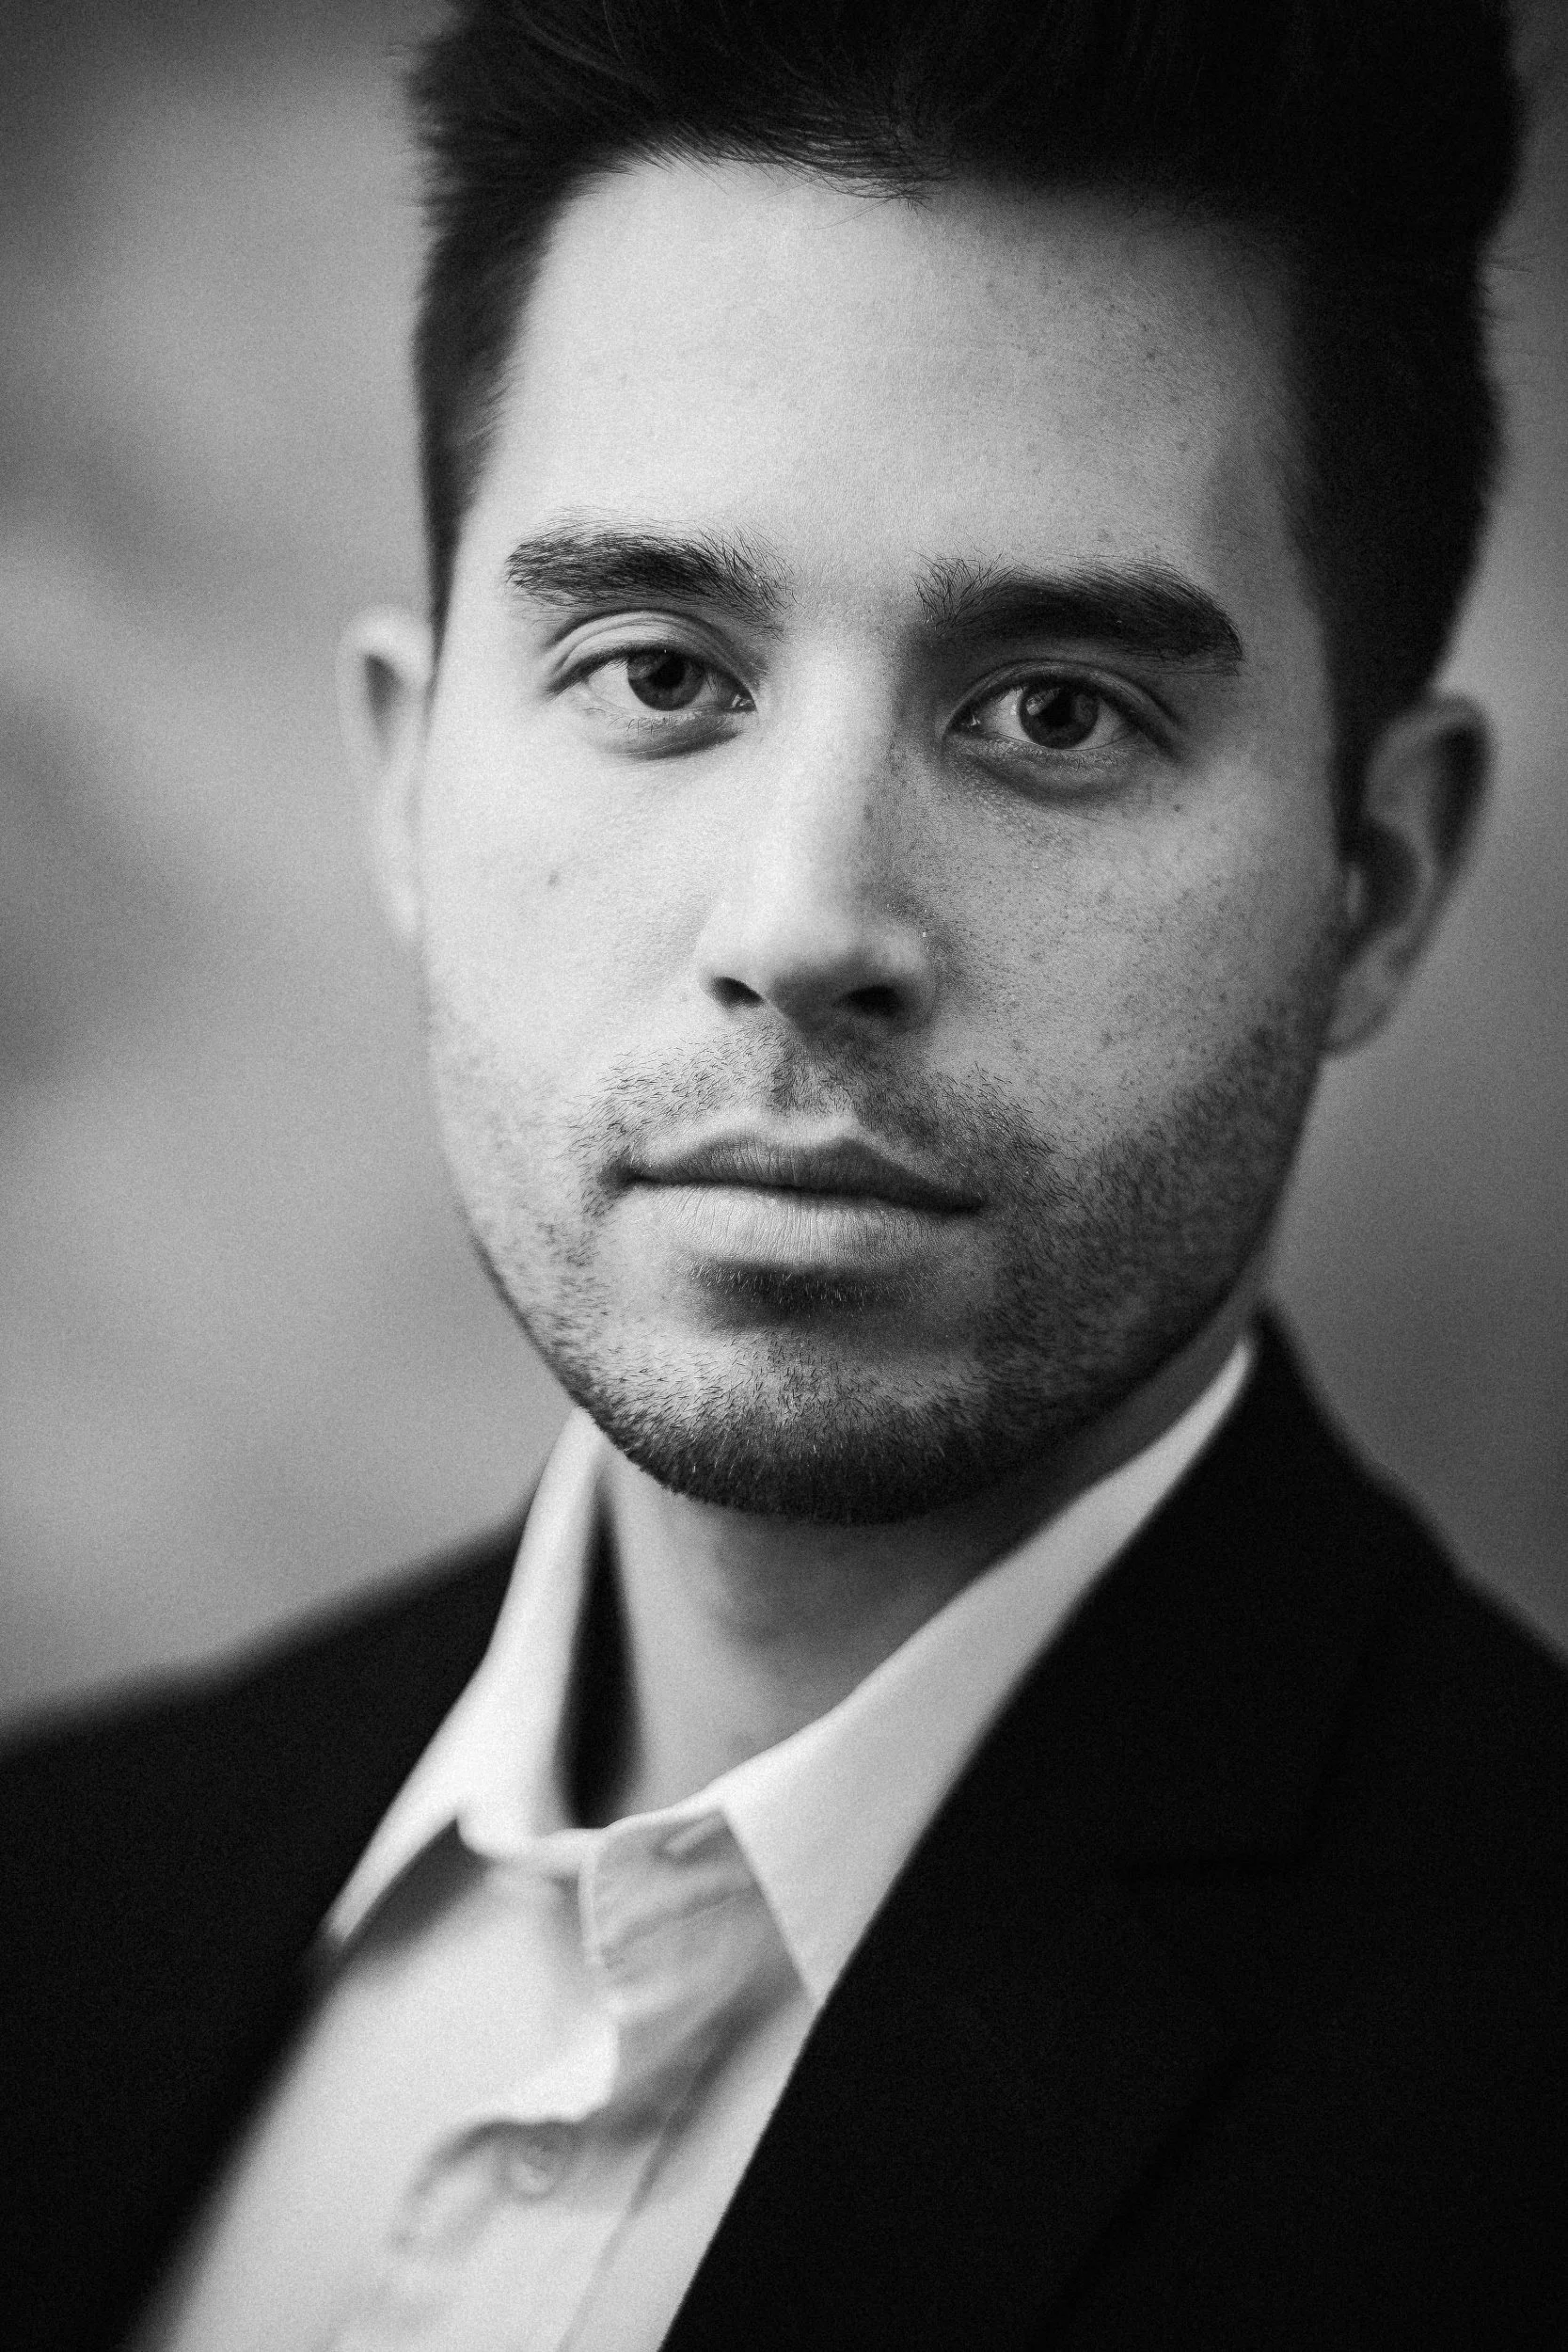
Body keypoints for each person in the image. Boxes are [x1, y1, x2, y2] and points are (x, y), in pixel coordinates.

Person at [5, 0, 1565, 2344]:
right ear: (408, 775)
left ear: (1377, 877)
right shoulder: (54, 1891)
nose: (803, 917)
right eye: (657, 671)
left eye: (1055, 709)